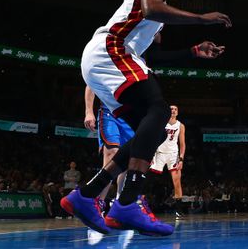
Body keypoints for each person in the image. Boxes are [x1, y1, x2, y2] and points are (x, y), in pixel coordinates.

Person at [61, 0, 231, 236]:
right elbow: (154, 11)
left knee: (151, 131)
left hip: (108, 60)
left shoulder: (152, 14)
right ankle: (127, 202)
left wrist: (193, 52)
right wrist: (201, 19)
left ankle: (87, 195)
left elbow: (151, 58)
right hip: (110, 51)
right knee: (160, 109)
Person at [83, 41, 222, 208]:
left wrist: (194, 51)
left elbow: (161, 57)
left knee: (130, 160)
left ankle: (121, 204)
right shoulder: (116, 48)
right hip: (110, 111)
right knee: (111, 152)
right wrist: (89, 111)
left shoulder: (143, 58)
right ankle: (96, 201)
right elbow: (91, 81)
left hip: (131, 112)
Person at [150, 105, 186, 205]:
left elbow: (182, 144)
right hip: (159, 153)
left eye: (175, 109)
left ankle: (179, 208)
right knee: (149, 180)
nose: (173, 111)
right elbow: (154, 139)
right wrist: (151, 155)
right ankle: (143, 203)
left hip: (173, 154)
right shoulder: (160, 123)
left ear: (177, 112)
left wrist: (181, 159)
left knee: (177, 181)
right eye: (171, 109)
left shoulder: (180, 125)